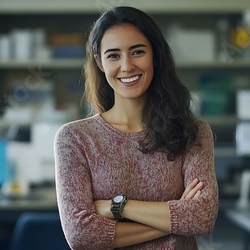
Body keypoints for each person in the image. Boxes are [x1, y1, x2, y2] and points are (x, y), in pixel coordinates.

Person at [54, 6, 218, 249]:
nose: (127, 66)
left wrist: (116, 207)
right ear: (99, 62)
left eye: (137, 51)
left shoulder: (193, 132)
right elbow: (81, 235)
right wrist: (176, 219)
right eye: (113, 55)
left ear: (155, 54)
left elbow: (202, 218)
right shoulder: (74, 138)